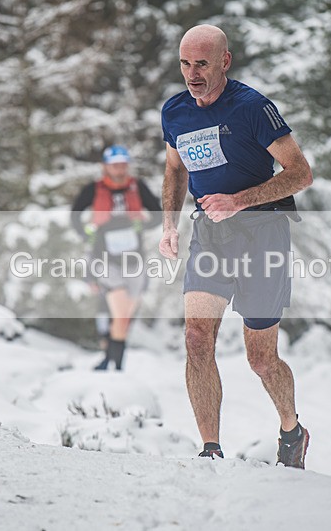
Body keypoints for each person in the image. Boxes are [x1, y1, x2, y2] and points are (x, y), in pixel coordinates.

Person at [159, 25, 313, 467]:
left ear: (225, 61)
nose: (193, 74)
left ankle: (291, 430)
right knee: (195, 337)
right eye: (186, 64)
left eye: (202, 63)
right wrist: (169, 225)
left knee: (261, 359)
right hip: (210, 234)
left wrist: (239, 200)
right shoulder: (175, 112)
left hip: (263, 233)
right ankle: (211, 449)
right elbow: (175, 170)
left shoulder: (252, 108)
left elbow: (300, 173)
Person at [71, 145, 162, 371]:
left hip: (134, 260)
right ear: (105, 166)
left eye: (122, 164)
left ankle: (110, 362)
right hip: (105, 259)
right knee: (119, 314)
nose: (119, 169)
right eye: (114, 164)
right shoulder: (94, 189)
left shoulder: (137, 186)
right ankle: (115, 368)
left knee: (124, 319)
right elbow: (75, 215)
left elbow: (158, 214)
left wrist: (143, 223)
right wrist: (86, 232)